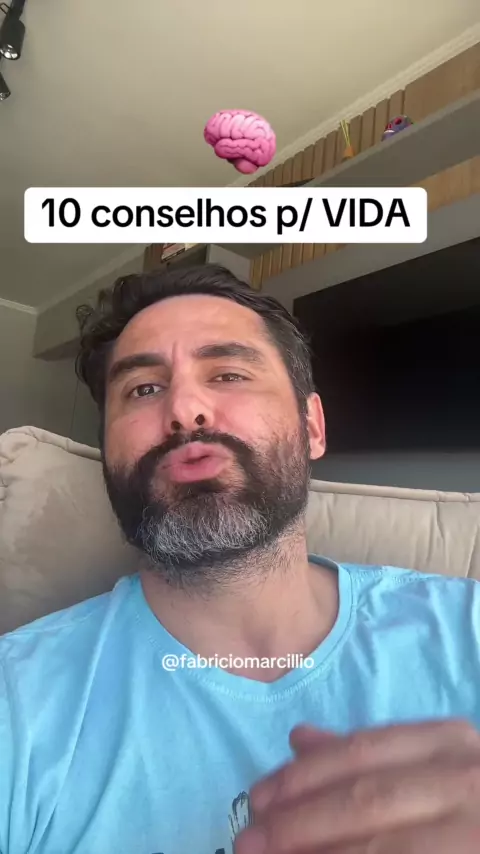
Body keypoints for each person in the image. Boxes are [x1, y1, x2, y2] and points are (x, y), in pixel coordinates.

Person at [1, 264, 480, 854]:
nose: (185, 409)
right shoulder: (16, 698)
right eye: (143, 389)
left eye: (228, 373)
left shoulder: (469, 628)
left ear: (312, 427)